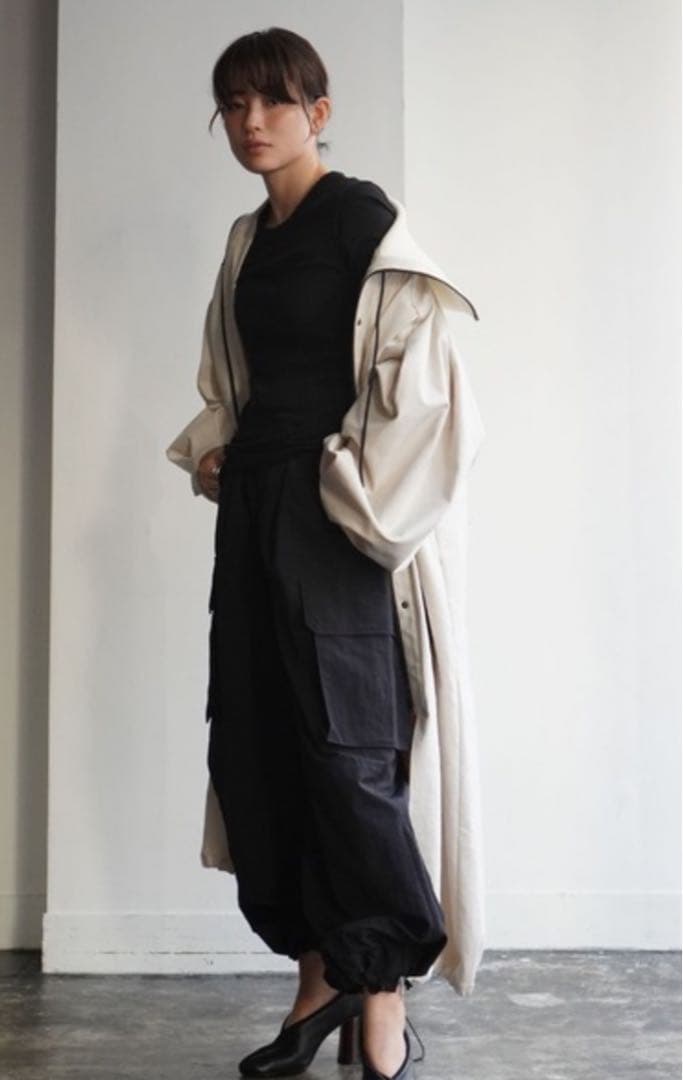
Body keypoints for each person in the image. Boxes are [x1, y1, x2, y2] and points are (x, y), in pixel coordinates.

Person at [167, 25, 486, 1080]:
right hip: (251, 515)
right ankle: (318, 978)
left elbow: (421, 389)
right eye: (233, 105)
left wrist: (341, 486)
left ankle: (379, 992)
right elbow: (234, 381)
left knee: (350, 753)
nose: (250, 122)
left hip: (333, 525)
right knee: (260, 748)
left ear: (319, 111)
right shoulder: (247, 239)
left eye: (272, 101)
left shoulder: (362, 222)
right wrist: (221, 451)